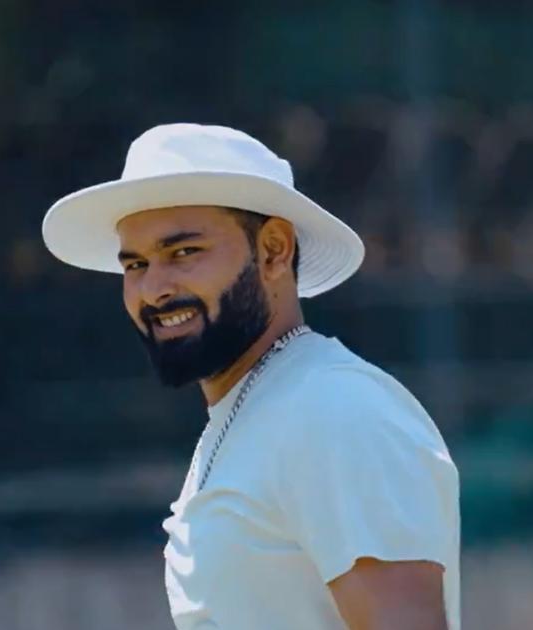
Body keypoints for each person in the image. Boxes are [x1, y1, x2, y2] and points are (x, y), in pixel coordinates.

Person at [41, 123, 460, 630]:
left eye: (183, 253)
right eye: (136, 265)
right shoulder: (259, 410)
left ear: (274, 250)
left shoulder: (335, 409)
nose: (154, 289)